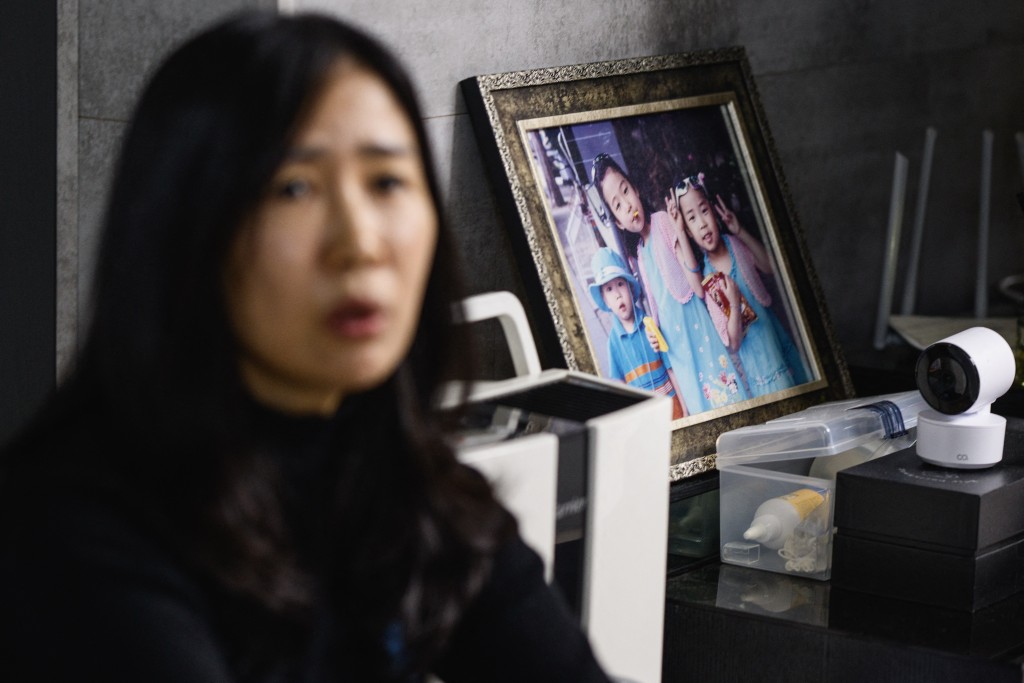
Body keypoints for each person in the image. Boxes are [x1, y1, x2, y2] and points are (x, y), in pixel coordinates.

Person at [0, 12, 612, 682]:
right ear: (188, 227)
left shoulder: (407, 488)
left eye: (386, 182)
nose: (358, 241)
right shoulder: (78, 529)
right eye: (294, 188)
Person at [592, 153, 746, 414]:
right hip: (676, 350)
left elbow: (696, 287)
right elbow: (655, 311)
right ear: (618, 222)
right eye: (617, 206)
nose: (628, 205)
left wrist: (679, 232)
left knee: (726, 398)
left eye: (626, 191)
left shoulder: (663, 221)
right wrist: (653, 333)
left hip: (695, 330)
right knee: (699, 408)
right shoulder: (640, 254)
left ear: (636, 188)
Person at [673, 172, 809, 396]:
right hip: (761, 374)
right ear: (688, 231)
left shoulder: (736, 245)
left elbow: (770, 266)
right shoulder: (708, 280)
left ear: (714, 213)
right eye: (692, 218)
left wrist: (740, 232)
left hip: (782, 354)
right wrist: (734, 305)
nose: (702, 224)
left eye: (704, 211)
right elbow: (733, 343)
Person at [589, 247, 686, 419]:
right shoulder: (613, 342)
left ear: (631, 289)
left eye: (620, 284)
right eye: (609, 289)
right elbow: (620, 387)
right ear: (605, 300)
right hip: (645, 419)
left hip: (673, 409)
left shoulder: (650, 325)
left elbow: (671, 368)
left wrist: (685, 409)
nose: (618, 294)